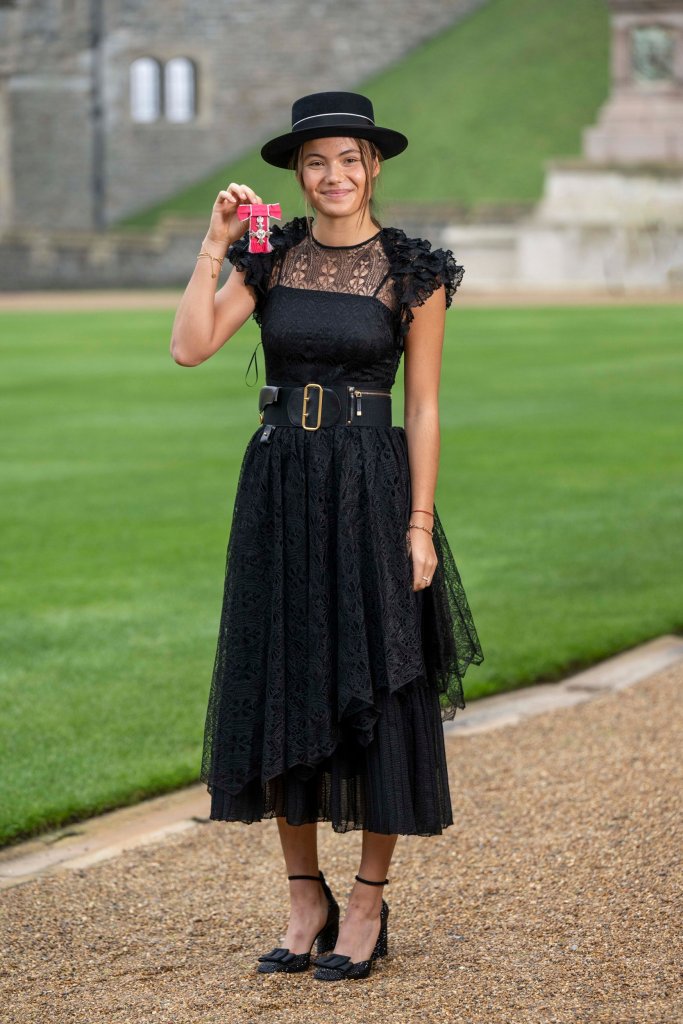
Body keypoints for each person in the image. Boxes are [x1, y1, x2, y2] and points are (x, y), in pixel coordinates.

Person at [170, 91, 484, 982]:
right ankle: (302, 894)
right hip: (278, 483)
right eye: (315, 162)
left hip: (371, 487)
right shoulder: (268, 256)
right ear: (296, 175)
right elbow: (191, 347)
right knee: (284, 679)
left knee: (379, 686)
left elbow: (422, 408)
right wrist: (215, 246)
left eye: (348, 159)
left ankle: (366, 900)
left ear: (373, 166)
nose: (333, 176)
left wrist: (419, 524)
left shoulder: (415, 269)